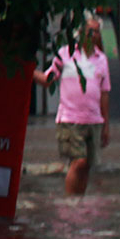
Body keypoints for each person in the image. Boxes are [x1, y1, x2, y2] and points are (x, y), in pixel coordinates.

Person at [33, 15, 110, 196]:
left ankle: (78, 202)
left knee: (86, 166)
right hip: (70, 119)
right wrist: (27, 70)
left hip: (93, 120)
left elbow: (104, 94)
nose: (92, 35)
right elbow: (47, 79)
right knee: (79, 162)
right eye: (89, 31)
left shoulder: (102, 59)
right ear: (80, 33)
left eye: (96, 31)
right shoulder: (66, 54)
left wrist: (106, 125)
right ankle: (70, 201)